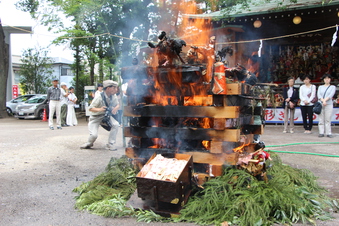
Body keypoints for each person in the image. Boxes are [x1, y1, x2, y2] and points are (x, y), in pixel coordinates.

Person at [80, 80, 120, 151]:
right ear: (108, 88)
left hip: (106, 116)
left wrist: (116, 108)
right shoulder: (99, 97)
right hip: (96, 117)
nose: (116, 90)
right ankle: (89, 143)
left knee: (116, 124)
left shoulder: (113, 96)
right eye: (114, 88)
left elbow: (118, 104)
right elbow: (91, 108)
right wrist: (100, 109)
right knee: (94, 135)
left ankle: (110, 144)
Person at [317, 74, 336, 138]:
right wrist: (323, 101)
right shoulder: (320, 87)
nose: (327, 80)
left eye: (328, 78)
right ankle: (321, 132)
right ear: (323, 79)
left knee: (328, 119)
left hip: (329, 104)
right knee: (321, 119)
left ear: (330, 79)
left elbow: (331, 95)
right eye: (325, 78)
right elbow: (319, 95)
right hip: (321, 103)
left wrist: (325, 100)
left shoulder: (332, 87)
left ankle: (328, 132)